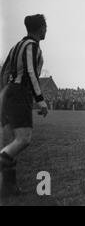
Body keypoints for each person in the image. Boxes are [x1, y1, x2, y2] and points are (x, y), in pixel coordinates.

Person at [0, 14, 49, 197]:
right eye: (45, 27)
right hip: (20, 93)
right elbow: (30, 73)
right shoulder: (32, 46)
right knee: (24, 139)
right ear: (41, 27)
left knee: (14, 140)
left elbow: (3, 72)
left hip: (9, 92)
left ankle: (9, 187)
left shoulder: (15, 46)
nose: (46, 30)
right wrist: (41, 100)